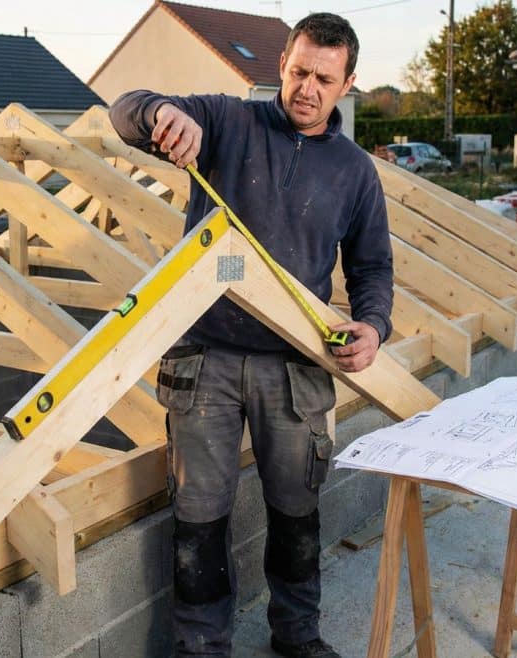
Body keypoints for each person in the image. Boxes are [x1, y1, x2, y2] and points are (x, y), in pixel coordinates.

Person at [109, 12, 392, 658]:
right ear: (281, 66)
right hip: (204, 357)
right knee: (199, 518)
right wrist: (158, 116)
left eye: (324, 77)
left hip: (294, 367)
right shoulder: (228, 122)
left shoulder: (354, 173)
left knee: (297, 513)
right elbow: (123, 111)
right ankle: (201, 644)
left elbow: (372, 268)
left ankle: (296, 634)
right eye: (297, 72)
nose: (306, 88)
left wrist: (373, 327)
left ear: (347, 83)